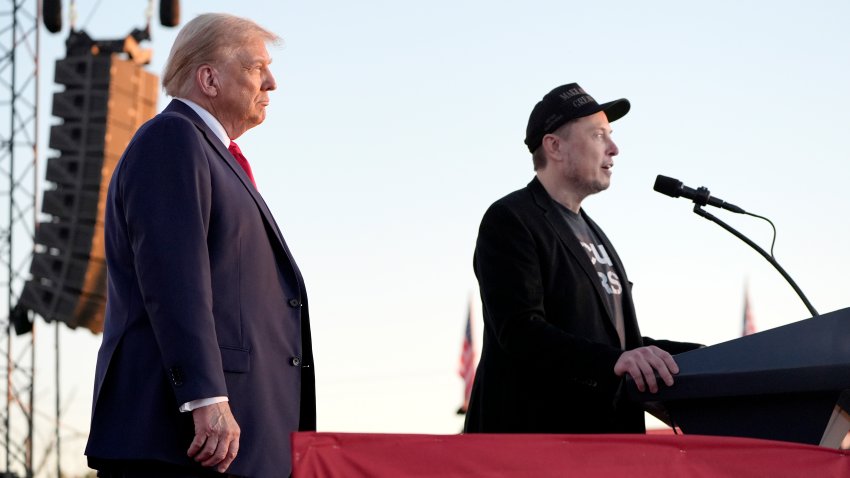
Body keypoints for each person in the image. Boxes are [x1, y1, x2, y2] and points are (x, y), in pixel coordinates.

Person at [85, 13, 315, 477]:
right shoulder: (172, 139)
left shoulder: (211, 154)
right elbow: (175, 281)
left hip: (238, 439)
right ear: (208, 78)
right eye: (256, 68)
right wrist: (205, 397)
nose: (271, 82)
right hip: (185, 440)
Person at [463, 83, 700, 435]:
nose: (614, 149)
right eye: (598, 135)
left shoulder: (596, 235)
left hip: (607, 445)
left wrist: (707, 357)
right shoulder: (512, 219)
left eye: (611, 136)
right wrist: (614, 361)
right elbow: (520, 332)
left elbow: (619, 346)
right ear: (554, 146)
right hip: (535, 446)